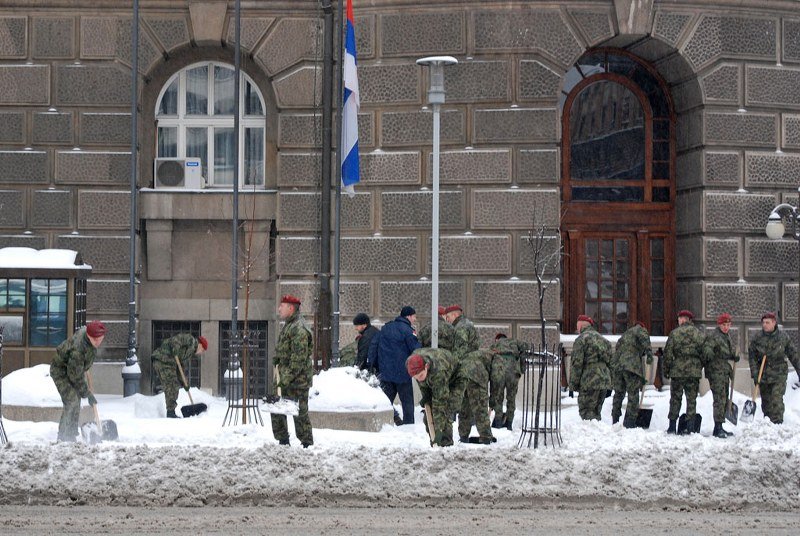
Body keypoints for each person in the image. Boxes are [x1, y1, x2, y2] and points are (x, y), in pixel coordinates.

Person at [50, 320, 106, 442]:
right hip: (61, 371)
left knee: (76, 399)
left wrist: (84, 367)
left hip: (73, 369)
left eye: (100, 339)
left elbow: (79, 369)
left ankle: (70, 434)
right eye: (95, 339)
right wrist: (87, 393)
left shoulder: (89, 338)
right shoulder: (78, 349)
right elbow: (74, 375)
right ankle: (63, 436)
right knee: (72, 400)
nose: (98, 342)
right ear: (88, 336)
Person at [272, 294, 314, 447]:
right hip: (284, 377)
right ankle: (283, 441)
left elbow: (298, 358)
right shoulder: (289, 325)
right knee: (277, 409)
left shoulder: (299, 328)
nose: (279, 309)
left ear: (290, 308)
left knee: (300, 413)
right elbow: (285, 350)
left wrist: (285, 378)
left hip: (297, 380)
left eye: (281, 306)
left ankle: (306, 445)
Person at [367, 306, 420, 425]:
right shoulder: (408, 331)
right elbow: (416, 349)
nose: (415, 319)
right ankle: (408, 427)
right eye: (414, 316)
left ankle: (383, 424)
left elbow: (373, 346)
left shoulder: (385, 328)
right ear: (408, 316)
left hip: (386, 373)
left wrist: (372, 365)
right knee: (407, 404)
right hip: (403, 373)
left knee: (385, 403)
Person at [747, 312, 800, 424]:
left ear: (774, 323)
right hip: (763, 375)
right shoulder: (757, 338)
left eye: (768, 322)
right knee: (766, 403)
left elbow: (793, 355)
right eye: (763, 323)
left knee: (776, 400)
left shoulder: (783, 337)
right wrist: (755, 374)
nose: (765, 325)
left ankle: (777, 423)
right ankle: (768, 425)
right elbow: (752, 357)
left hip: (778, 374)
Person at [406, 348, 462, 447]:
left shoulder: (439, 371)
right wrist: (426, 395)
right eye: (416, 378)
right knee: (428, 417)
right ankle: (434, 441)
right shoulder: (411, 363)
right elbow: (422, 382)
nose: (419, 379)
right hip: (435, 377)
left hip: (456, 378)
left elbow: (440, 403)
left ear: (426, 366)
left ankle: (446, 444)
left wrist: (439, 430)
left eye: (421, 375)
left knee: (446, 410)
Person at [663, 309, 707, 434]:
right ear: (690, 320)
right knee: (691, 399)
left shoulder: (674, 333)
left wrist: (667, 370)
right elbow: (705, 353)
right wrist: (699, 366)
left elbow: (668, 354)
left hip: (677, 371)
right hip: (693, 372)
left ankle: (672, 426)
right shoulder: (698, 334)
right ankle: (690, 426)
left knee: (675, 398)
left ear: (681, 320)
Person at [151, 333, 208, 417]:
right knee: (172, 384)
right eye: (202, 350)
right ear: (200, 345)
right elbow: (175, 341)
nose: (200, 353)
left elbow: (180, 367)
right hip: (163, 359)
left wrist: (184, 382)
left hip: (170, 363)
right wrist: (175, 349)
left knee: (173, 384)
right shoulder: (190, 339)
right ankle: (170, 412)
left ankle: (171, 411)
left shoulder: (189, 353)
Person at [568, 315, 612, 421]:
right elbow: (611, 363)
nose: (577, 329)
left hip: (589, 380)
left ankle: (591, 436)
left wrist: (572, 385)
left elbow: (577, 364)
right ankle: (596, 435)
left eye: (577, 326)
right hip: (604, 381)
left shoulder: (581, 339)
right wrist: (611, 384)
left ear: (580, 325)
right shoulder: (604, 340)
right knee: (597, 412)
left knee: (587, 412)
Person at [702, 313, 739, 438]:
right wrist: (711, 356)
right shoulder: (714, 336)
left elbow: (726, 352)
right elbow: (707, 349)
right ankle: (717, 428)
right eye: (724, 324)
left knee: (724, 398)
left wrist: (734, 355)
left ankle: (720, 426)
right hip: (716, 372)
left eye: (728, 325)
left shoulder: (726, 337)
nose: (726, 327)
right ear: (719, 324)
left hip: (724, 372)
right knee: (719, 399)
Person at [611, 321, 653, 428]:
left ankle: (615, 420)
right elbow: (645, 339)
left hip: (618, 366)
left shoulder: (625, 334)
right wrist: (649, 354)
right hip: (631, 367)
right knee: (633, 394)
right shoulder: (640, 329)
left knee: (618, 394)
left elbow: (617, 348)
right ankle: (630, 422)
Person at [489, 333, 529, 430]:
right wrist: (523, 366)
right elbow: (526, 346)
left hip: (499, 370)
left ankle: (498, 423)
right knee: (511, 399)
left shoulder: (494, 345)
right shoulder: (514, 341)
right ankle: (509, 424)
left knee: (498, 397)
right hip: (513, 371)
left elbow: (489, 359)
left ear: (497, 339)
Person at [457, 349, 495, 444]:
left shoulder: (481, 354)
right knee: (480, 407)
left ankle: (463, 436)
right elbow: (496, 380)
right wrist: (494, 399)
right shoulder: (496, 360)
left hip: (461, 373)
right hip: (477, 376)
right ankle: (485, 437)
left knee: (464, 406)